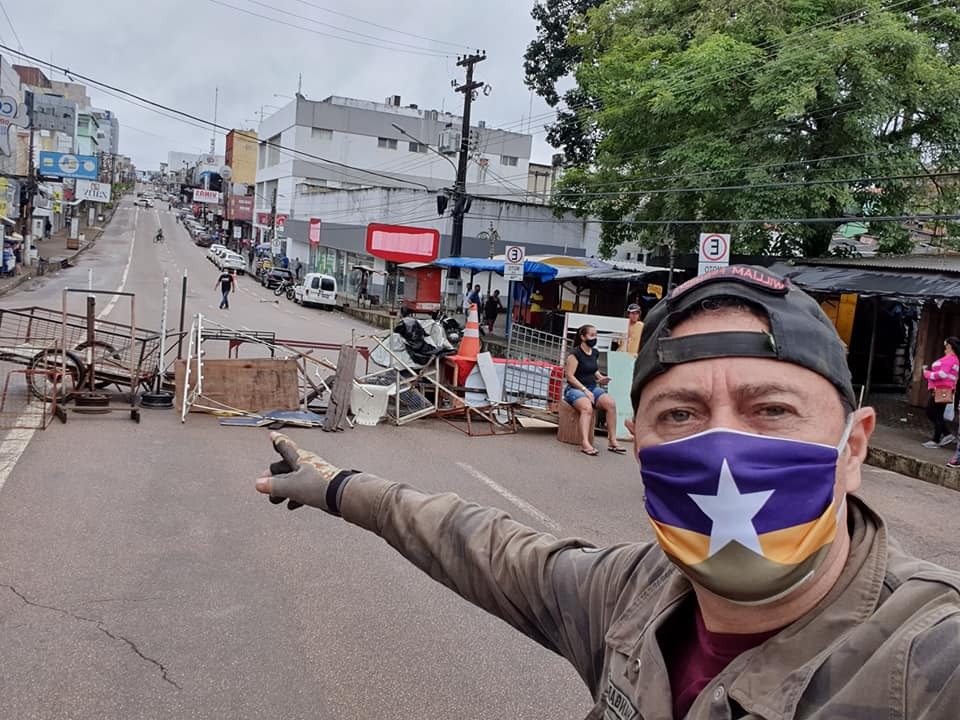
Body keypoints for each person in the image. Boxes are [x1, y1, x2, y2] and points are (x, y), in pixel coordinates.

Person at [254, 265, 960, 719]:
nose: (720, 450)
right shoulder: (632, 594)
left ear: (854, 447)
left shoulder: (927, 660)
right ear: (640, 442)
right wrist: (339, 486)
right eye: (678, 415)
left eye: (770, 410)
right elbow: (481, 544)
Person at [563, 324, 626, 456]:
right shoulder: (575, 354)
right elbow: (569, 376)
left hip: (592, 387)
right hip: (574, 389)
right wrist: (585, 390)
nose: (594, 338)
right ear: (582, 337)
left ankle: (612, 440)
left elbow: (593, 369)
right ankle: (585, 443)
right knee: (587, 408)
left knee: (611, 404)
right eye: (592, 335)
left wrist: (601, 378)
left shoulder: (594, 353)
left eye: (595, 335)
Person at [921, 337, 960, 449]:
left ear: (949, 346)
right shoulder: (953, 359)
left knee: (933, 412)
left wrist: (927, 374)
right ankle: (945, 435)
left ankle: (937, 439)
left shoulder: (951, 359)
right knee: (935, 413)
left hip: (942, 389)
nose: (944, 347)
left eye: (946, 344)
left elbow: (943, 374)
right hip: (942, 389)